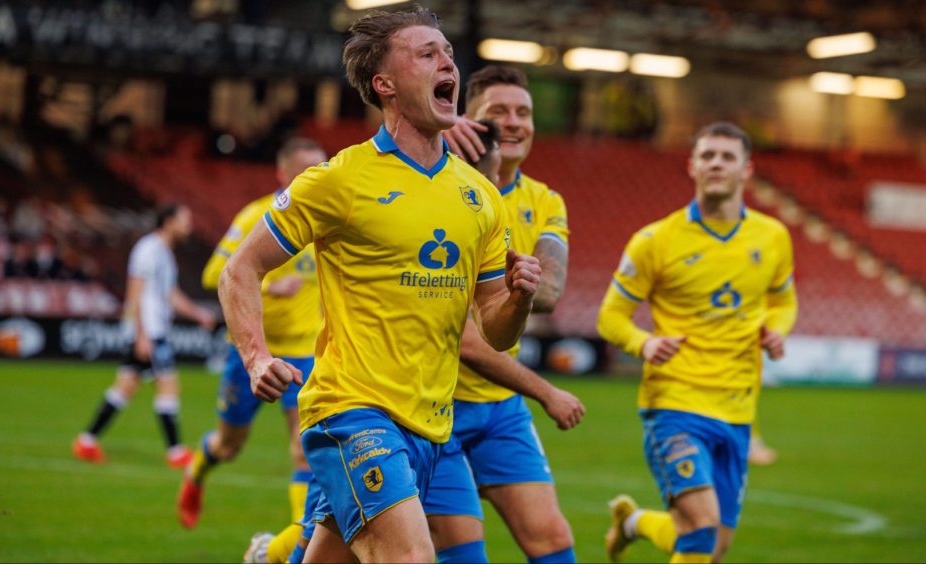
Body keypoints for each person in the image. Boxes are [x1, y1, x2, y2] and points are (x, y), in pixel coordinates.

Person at [217, 7, 541, 563]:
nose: (448, 64)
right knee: (412, 557)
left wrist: (518, 297)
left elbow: (497, 331)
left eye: (448, 54)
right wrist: (254, 357)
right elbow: (239, 269)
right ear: (384, 84)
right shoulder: (338, 180)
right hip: (351, 411)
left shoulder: (480, 196)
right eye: (427, 54)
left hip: (431, 425)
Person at [596, 122, 798, 564]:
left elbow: (784, 300)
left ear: (747, 169)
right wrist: (643, 344)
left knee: (713, 543)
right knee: (702, 526)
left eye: (728, 157)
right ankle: (634, 524)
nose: (717, 164)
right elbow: (610, 316)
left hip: (738, 408)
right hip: (675, 402)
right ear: (692, 166)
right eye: (708, 156)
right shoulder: (654, 241)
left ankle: (632, 523)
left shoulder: (773, 237)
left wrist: (778, 328)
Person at [424, 65, 581, 564]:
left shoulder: (544, 200)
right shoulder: (433, 186)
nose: (514, 123)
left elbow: (550, 290)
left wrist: (523, 286)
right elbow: (466, 341)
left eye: (524, 113)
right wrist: (548, 392)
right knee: (461, 553)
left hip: (499, 408)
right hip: (431, 404)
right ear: (467, 120)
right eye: (499, 113)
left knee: (551, 541)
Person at [176, 138, 327, 562]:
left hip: (305, 353)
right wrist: (269, 284)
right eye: (304, 170)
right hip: (251, 351)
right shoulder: (256, 217)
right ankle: (197, 470)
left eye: (320, 169)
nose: (314, 178)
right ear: (283, 175)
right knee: (229, 445)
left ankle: (298, 545)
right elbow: (213, 275)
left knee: (304, 448)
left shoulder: (332, 217)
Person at [72, 203, 216, 467]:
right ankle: (175, 452)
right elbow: (134, 292)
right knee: (168, 384)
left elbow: (170, 294)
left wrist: (198, 314)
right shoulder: (148, 249)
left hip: (151, 330)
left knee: (125, 387)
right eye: (184, 219)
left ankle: (86, 441)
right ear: (168, 221)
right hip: (149, 331)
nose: (189, 225)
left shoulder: (164, 253)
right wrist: (141, 334)